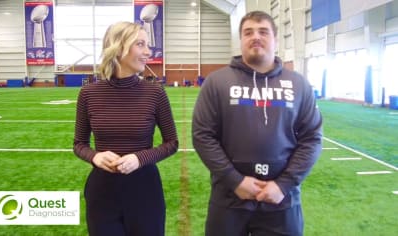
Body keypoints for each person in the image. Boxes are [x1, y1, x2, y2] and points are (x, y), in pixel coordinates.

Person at [192, 11, 323, 236]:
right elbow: (203, 136)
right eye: (248, 32)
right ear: (240, 40)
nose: (256, 37)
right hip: (229, 199)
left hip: (282, 201)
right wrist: (235, 181)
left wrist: (284, 184)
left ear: (275, 39)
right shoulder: (217, 82)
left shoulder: (299, 84)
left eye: (263, 31)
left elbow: (312, 138)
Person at [73, 21, 178, 236]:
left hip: (145, 191)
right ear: (118, 47)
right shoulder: (88, 94)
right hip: (102, 194)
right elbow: (79, 144)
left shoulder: (155, 93)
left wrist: (139, 159)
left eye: (147, 45)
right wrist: (95, 157)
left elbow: (172, 143)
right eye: (140, 44)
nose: (148, 51)